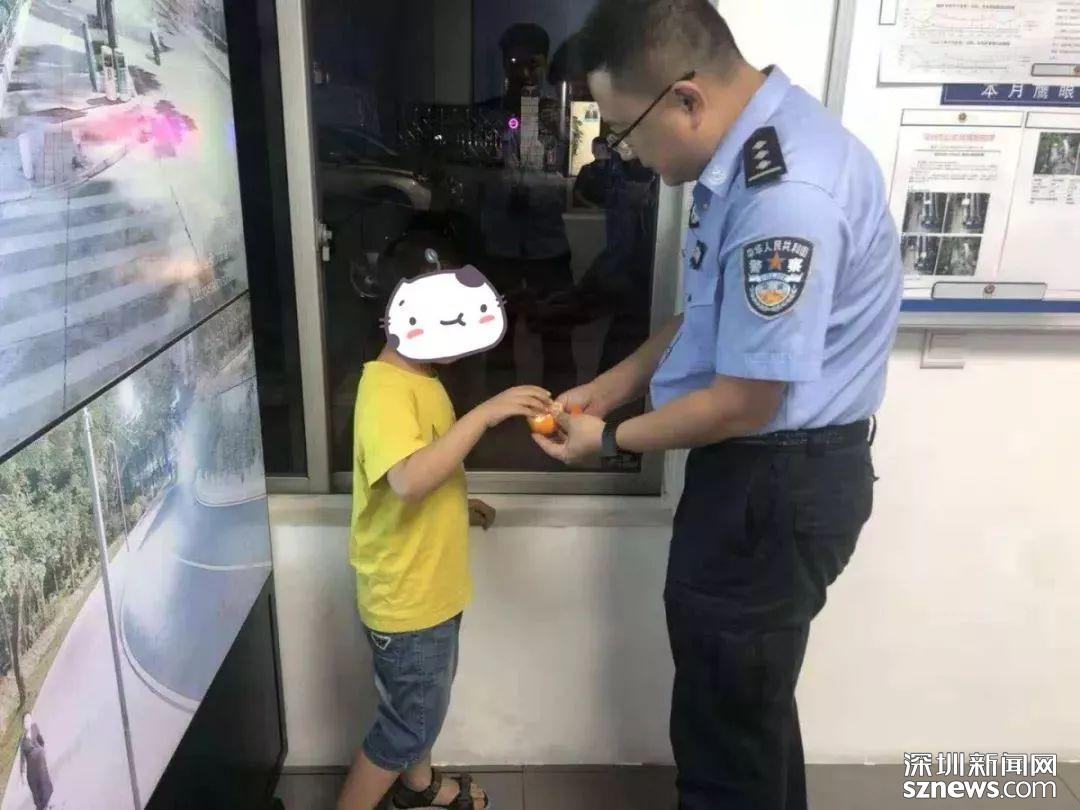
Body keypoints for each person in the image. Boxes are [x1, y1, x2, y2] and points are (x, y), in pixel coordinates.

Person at [532, 2, 903, 808]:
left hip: (773, 485)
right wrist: (614, 384)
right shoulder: (749, 155)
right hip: (761, 480)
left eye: (625, 133)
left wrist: (610, 438)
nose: (625, 155)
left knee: (724, 735)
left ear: (686, 99)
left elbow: (742, 402)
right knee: (744, 709)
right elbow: (707, 314)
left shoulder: (786, 194)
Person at [336, 239, 552, 810]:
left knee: (420, 711)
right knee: (406, 724)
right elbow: (407, 480)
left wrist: (459, 501)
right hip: (410, 600)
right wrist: (486, 414)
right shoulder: (386, 391)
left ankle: (418, 789)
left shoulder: (419, 378)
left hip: (430, 591)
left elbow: (424, 469)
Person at [19, 713, 53, 810]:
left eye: (29, 720)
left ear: (31, 720)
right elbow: (22, 759)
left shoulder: (35, 727)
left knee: (45, 784)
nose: (27, 723)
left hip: (41, 763)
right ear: (23, 725)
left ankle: (46, 805)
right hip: (32, 770)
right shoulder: (23, 742)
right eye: (25, 721)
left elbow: (40, 738)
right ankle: (42, 807)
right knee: (37, 791)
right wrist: (22, 774)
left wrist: (43, 746)